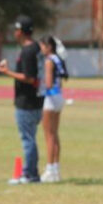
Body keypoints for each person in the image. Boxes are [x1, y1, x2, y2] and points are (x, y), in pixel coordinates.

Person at [0, 15, 43, 185]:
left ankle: (29, 174)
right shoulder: (36, 47)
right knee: (30, 137)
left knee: (27, 139)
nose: (14, 33)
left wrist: (7, 72)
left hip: (27, 100)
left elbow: (29, 78)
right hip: (37, 99)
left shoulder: (28, 50)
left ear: (21, 32)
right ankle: (33, 172)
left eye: (16, 30)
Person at [38, 35, 67, 183]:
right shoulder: (58, 59)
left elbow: (48, 83)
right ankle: (56, 169)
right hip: (59, 97)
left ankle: (49, 169)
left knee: (48, 135)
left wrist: (40, 83)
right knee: (55, 134)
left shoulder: (49, 61)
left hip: (50, 98)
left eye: (42, 46)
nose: (41, 49)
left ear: (49, 46)